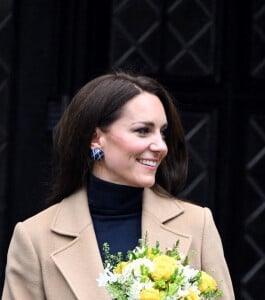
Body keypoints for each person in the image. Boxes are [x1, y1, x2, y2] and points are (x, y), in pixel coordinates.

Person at [2, 72, 235, 299]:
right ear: (96, 138)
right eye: (143, 131)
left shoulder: (197, 224)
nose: (161, 146)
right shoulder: (35, 238)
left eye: (162, 133)